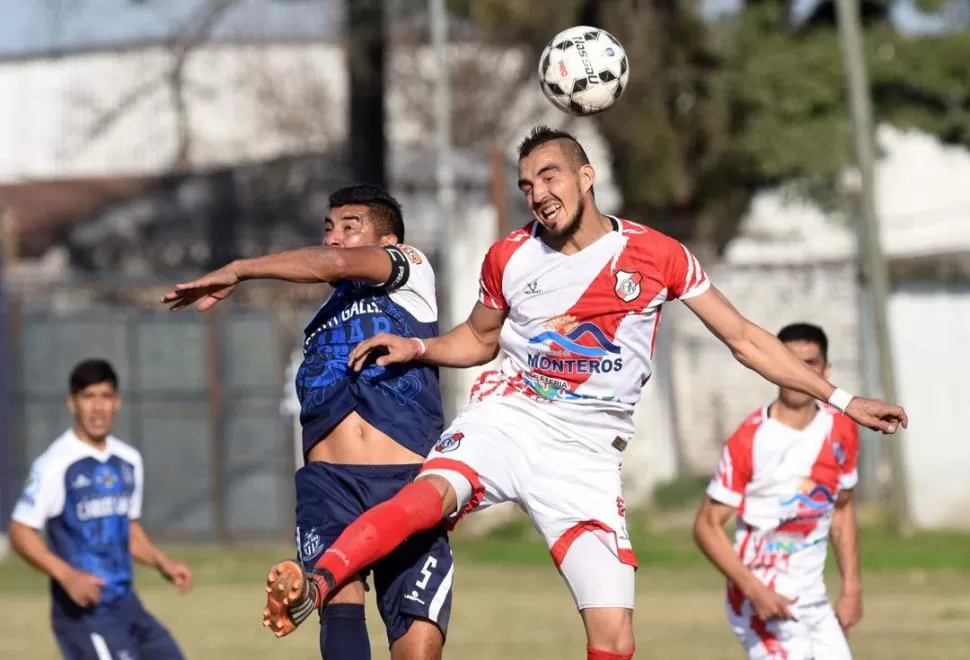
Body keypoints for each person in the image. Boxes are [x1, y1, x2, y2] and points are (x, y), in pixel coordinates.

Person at [161, 183, 451, 660]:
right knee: (338, 608)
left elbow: (333, 264)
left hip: (405, 484)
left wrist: (239, 269)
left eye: (350, 228)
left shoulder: (411, 274)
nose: (334, 239)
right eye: (328, 228)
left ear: (391, 242)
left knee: (419, 650)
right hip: (330, 488)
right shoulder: (319, 320)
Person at [693, 323, 863, 659]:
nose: (798, 372)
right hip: (763, 603)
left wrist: (851, 587)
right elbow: (706, 526)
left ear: (825, 370)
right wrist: (755, 591)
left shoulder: (841, 428)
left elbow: (841, 508)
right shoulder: (750, 438)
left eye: (810, 363)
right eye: (788, 361)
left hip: (813, 601)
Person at [9, 358, 193, 660]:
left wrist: (163, 563)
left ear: (117, 403)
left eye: (105, 397)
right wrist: (67, 576)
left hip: (126, 605)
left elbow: (129, 531)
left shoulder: (128, 460)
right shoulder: (55, 463)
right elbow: (20, 530)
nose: (98, 408)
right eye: (88, 398)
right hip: (84, 615)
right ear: (72, 403)